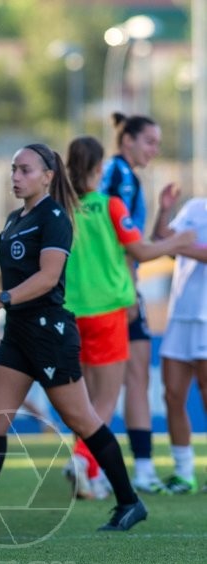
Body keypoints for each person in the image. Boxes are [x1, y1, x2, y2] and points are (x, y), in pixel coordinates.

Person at [0, 143, 147, 534]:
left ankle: (129, 502)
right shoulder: (13, 218)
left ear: (48, 176)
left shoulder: (55, 217)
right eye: (13, 169)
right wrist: (4, 307)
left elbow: (49, 277)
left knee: (83, 419)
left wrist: (1, 299)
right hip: (18, 334)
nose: (16, 177)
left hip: (49, 333)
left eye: (25, 170)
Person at [63, 135, 194, 499]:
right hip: (107, 312)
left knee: (85, 397)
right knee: (104, 402)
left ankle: (90, 471)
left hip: (72, 313)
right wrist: (179, 241)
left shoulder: (64, 208)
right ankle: (80, 457)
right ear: (99, 168)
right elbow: (140, 250)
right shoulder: (111, 205)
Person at [100, 112, 179, 494]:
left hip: (119, 287)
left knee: (130, 378)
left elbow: (135, 239)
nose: (155, 149)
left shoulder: (125, 177)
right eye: (149, 141)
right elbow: (125, 244)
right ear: (127, 139)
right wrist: (129, 284)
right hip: (117, 291)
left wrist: (163, 212)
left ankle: (134, 469)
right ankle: (93, 466)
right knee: (115, 384)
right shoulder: (119, 178)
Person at [151, 197, 207, 493]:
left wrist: (175, 244)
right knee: (172, 394)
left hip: (206, 317)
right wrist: (164, 209)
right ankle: (184, 473)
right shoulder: (194, 207)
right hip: (180, 315)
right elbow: (160, 239)